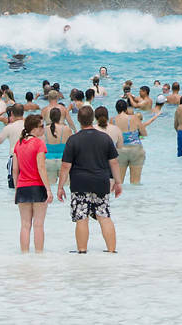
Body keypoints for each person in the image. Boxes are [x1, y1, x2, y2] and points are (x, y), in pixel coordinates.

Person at [57, 105, 121, 254]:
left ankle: (82, 250)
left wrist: (60, 187)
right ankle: (111, 250)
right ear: (93, 119)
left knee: (81, 217)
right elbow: (114, 162)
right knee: (104, 215)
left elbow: (66, 166)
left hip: (80, 182)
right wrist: (118, 182)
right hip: (101, 181)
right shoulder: (105, 138)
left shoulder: (73, 140)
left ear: (78, 120)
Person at [11, 113, 51, 252]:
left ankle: (25, 256)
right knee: (38, 225)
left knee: (25, 225)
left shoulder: (19, 143)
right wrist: (48, 189)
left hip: (22, 187)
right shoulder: (39, 143)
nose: (43, 129)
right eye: (41, 127)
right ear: (34, 128)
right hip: (37, 186)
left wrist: (17, 188)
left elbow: (15, 169)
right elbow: (41, 167)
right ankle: (39, 256)